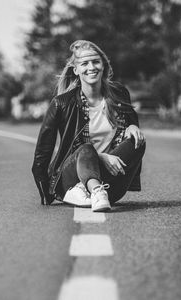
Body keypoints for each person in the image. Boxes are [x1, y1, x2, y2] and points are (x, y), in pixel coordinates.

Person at [32, 40, 146, 212]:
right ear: (76, 70)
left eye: (95, 61)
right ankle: (93, 190)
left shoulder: (119, 93)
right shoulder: (61, 103)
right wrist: (45, 193)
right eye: (84, 63)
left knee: (138, 141)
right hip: (72, 175)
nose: (91, 67)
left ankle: (98, 191)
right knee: (86, 149)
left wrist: (131, 127)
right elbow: (43, 151)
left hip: (110, 179)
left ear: (103, 65)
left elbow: (131, 122)